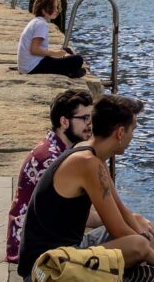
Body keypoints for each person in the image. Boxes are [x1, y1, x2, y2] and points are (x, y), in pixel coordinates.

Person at [16, 94, 154, 282]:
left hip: (71, 250)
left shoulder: (92, 156)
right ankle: (122, 279)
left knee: (146, 233)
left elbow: (124, 215)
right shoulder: (86, 163)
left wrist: (142, 226)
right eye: (134, 129)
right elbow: (120, 231)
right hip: (47, 267)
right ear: (120, 132)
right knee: (139, 244)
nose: (133, 136)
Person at [8, 88, 95, 264]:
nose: (90, 124)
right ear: (64, 121)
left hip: (42, 238)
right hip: (34, 248)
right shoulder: (50, 159)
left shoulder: (57, 150)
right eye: (84, 118)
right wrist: (121, 220)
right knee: (126, 240)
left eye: (91, 117)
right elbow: (72, 213)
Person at [17, 0, 84, 76]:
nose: (56, 10)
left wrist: (56, 54)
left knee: (67, 51)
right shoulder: (41, 24)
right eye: (54, 7)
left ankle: (70, 71)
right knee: (78, 60)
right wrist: (55, 53)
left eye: (57, 7)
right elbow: (34, 50)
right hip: (32, 67)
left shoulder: (36, 21)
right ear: (43, 11)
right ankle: (70, 73)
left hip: (28, 65)